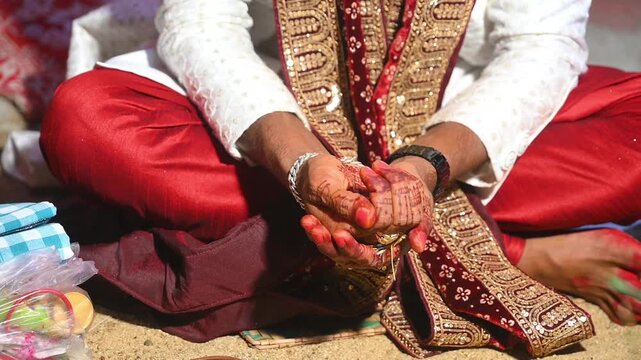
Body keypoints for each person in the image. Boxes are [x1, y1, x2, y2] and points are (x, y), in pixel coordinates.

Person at [40, 0, 641, 356]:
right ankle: (507, 251)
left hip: (459, 116)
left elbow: (540, 47)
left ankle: (338, 247)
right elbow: (201, 26)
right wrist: (304, 166)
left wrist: (421, 168)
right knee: (86, 120)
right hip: (270, 112)